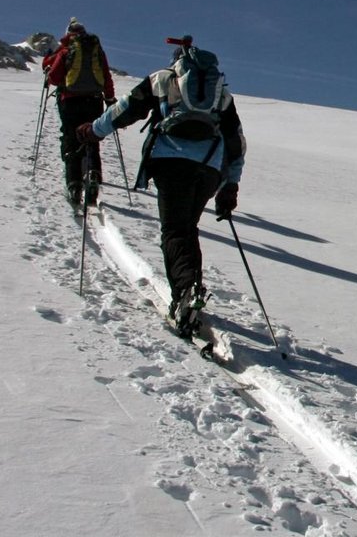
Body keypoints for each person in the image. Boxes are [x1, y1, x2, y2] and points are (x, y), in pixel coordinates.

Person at [76, 38, 244, 335]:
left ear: (176, 61)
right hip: (210, 168)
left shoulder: (163, 79)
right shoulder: (222, 94)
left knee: (175, 230)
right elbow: (236, 143)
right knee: (187, 228)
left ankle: (185, 292)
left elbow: (126, 109)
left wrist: (94, 131)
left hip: (172, 161)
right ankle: (190, 288)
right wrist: (230, 186)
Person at [42, 18, 116, 205]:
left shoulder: (66, 50)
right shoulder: (96, 50)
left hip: (70, 100)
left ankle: (74, 185)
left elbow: (54, 77)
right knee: (92, 136)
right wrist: (109, 98)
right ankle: (93, 173)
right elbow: (106, 75)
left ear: (68, 33)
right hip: (94, 100)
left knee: (72, 139)